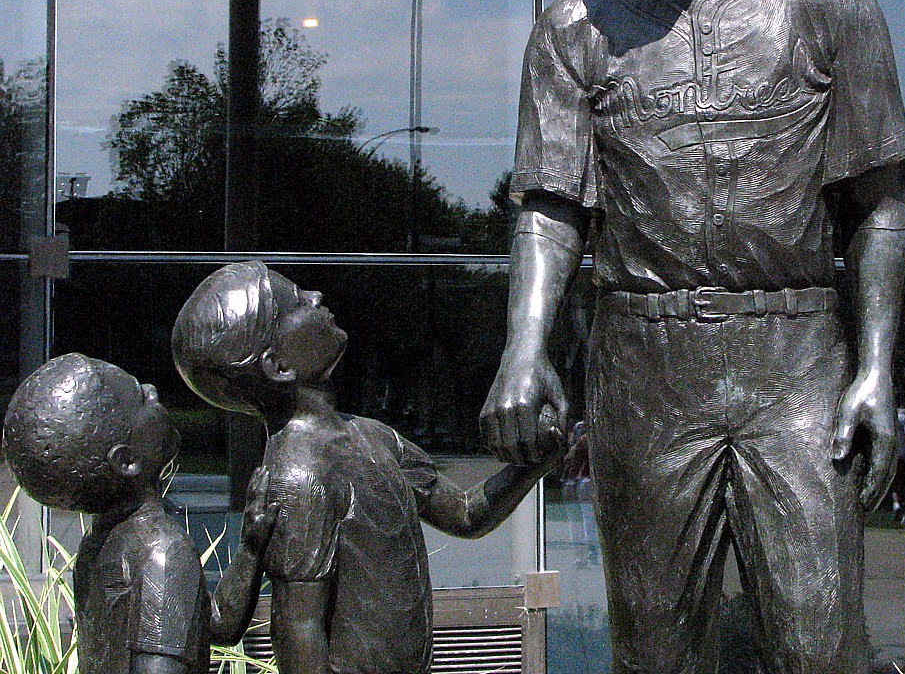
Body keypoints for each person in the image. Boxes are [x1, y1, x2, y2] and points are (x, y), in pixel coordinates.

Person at [479, 0, 905, 674]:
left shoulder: (825, 0)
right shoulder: (572, 30)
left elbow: (878, 203)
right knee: (656, 650)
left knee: (822, 645)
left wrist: (876, 367)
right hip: (646, 364)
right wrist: (524, 347)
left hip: (795, 360)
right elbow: (551, 206)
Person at [172, 261, 562, 674]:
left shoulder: (374, 436)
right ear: (278, 366)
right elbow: (300, 637)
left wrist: (541, 460)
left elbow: (465, 513)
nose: (316, 297)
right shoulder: (299, 480)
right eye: (297, 302)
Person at [2, 353, 276, 674]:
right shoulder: (163, 552)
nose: (152, 390)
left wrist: (250, 548)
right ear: (127, 462)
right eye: (141, 398)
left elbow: (215, 625)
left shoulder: (95, 547)